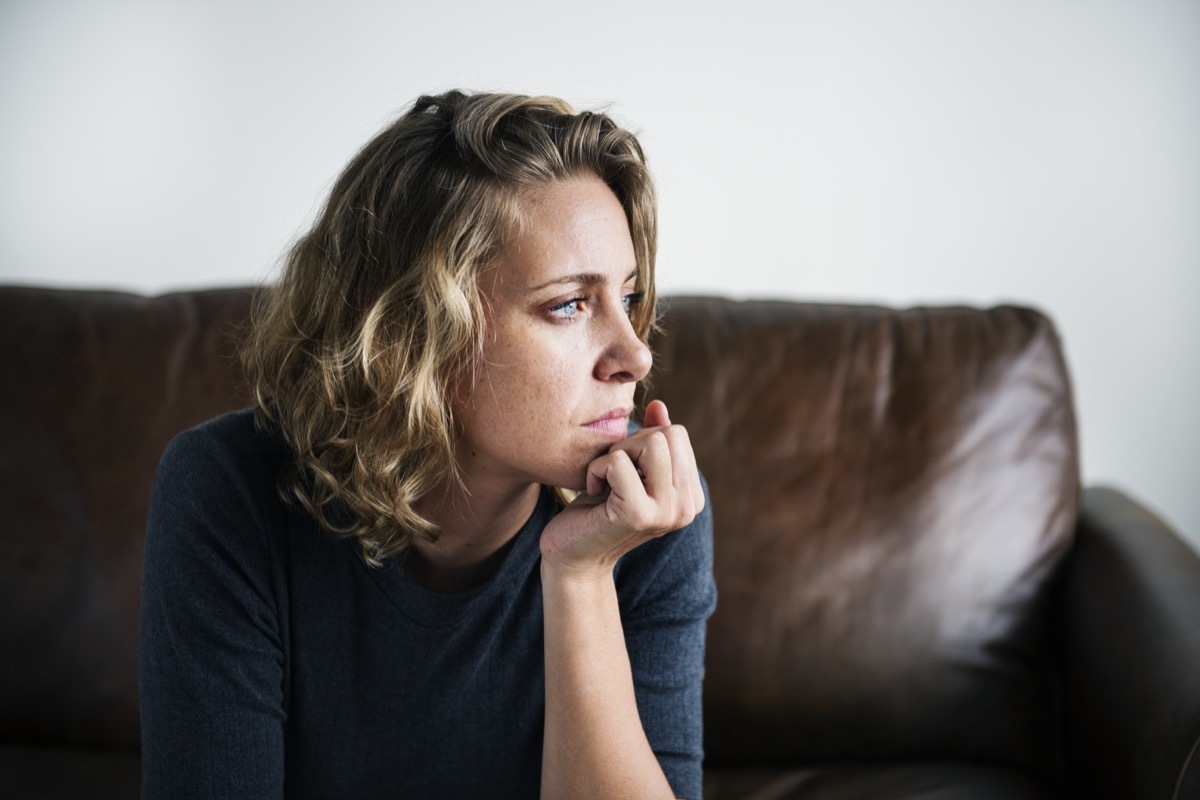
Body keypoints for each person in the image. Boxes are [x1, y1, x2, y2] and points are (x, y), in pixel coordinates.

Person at [139, 90, 716, 800]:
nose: (635, 355)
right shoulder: (228, 492)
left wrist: (581, 578)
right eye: (569, 304)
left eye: (626, 299)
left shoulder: (647, 511)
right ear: (415, 334)